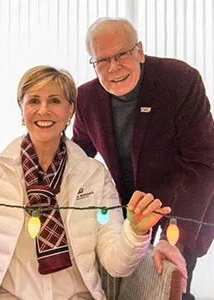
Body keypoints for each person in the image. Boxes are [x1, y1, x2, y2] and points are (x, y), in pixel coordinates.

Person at [0, 65, 171, 300]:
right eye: (33, 100)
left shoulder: (94, 175)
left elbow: (116, 263)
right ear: (21, 108)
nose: (43, 110)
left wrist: (136, 232)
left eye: (55, 101)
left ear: (70, 110)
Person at [72, 17, 214, 300]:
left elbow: (202, 162)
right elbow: (77, 156)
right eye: (102, 60)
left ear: (139, 50)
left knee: (170, 284)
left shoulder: (179, 80)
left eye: (121, 54)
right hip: (127, 214)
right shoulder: (86, 98)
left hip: (180, 208)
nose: (113, 67)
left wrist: (174, 238)